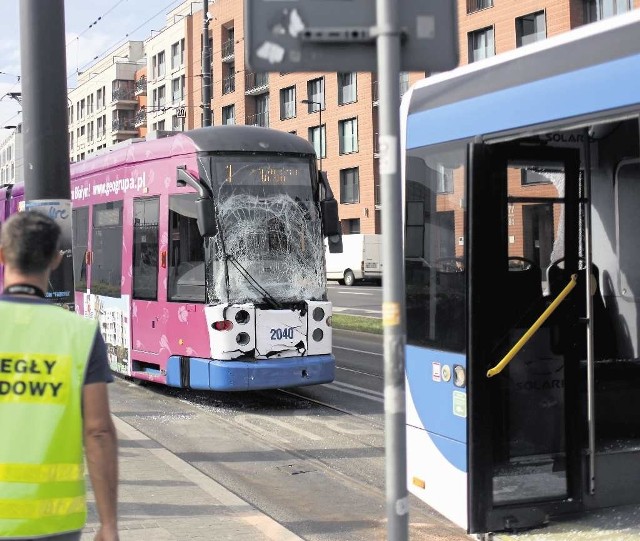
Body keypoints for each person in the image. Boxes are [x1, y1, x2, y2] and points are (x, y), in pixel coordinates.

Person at [0, 211, 119, 541]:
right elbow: (98, 431)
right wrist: (109, 524)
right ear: (55, 260)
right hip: (52, 522)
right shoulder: (79, 333)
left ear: (2, 254)